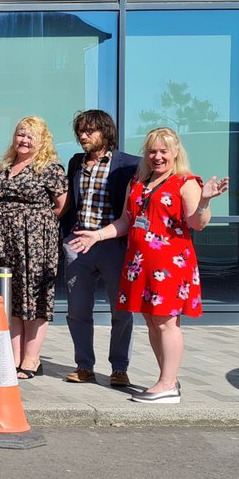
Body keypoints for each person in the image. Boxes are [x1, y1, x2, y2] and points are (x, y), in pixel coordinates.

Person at [72, 127, 228, 404]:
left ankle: (168, 384)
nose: (157, 156)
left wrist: (204, 200)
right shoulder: (139, 182)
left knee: (167, 323)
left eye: (163, 151)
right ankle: (166, 380)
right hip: (139, 264)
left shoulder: (186, 182)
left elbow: (197, 223)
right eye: (152, 151)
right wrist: (97, 235)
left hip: (169, 264)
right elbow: (125, 221)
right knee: (153, 322)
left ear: (176, 152)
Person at [58, 110, 139, 387]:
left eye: (89, 131)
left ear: (105, 132)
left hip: (113, 244)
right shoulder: (76, 162)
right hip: (78, 245)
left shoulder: (128, 165)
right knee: (78, 310)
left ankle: (119, 367)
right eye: (80, 131)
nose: (83, 136)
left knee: (121, 309)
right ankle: (84, 366)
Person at [0, 116, 67, 379]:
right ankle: (13, 357)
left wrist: (34, 224)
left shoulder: (50, 168)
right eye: (20, 134)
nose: (23, 140)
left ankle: (31, 359)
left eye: (30, 136)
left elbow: (61, 206)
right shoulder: (6, 164)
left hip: (35, 242)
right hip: (5, 242)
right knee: (10, 298)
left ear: (42, 140)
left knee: (34, 298)